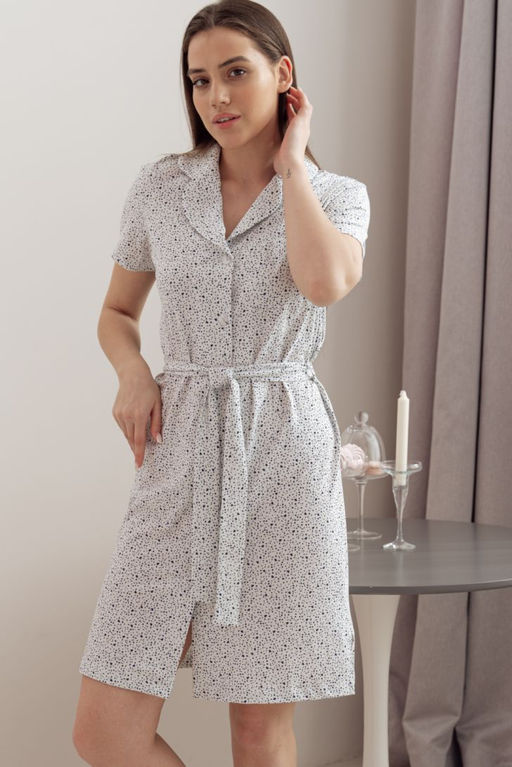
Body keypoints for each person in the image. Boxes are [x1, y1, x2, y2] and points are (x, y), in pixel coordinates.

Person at [72, 0, 370, 765]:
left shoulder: (337, 195)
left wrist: (292, 167)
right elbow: (116, 312)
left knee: (257, 729)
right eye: (200, 79)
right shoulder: (161, 187)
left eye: (236, 72)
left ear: (283, 74)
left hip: (282, 459)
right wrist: (133, 372)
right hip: (177, 456)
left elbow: (324, 282)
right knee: (104, 730)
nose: (216, 97)